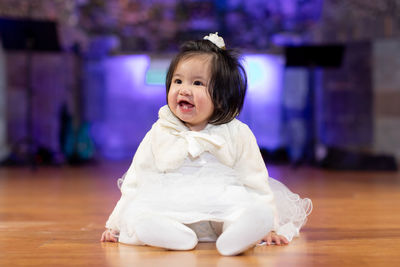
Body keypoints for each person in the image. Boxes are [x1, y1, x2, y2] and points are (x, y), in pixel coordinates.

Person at [100, 33, 312, 256]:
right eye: (178, 81)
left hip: (222, 206)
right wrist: (116, 223)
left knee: (244, 209)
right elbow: (136, 179)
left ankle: (239, 234)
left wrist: (271, 225)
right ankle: (171, 235)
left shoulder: (236, 132)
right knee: (143, 215)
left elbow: (255, 181)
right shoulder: (160, 131)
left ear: (220, 97)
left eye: (197, 83)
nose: (184, 89)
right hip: (172, 205)